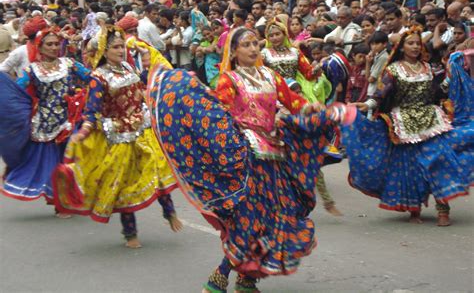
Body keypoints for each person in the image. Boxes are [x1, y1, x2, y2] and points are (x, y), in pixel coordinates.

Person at [147, 27, 356, 292]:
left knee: (275, 218)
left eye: (256, 43)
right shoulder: (229, 80)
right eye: (246, 45)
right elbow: (219, 115)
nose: (253, 49)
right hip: (247, 158)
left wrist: (310, 108)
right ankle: (218, 278)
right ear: (233, 52)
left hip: (274, 156)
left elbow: (293, 101)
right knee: (251, 219)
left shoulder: (271, 75)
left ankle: (246, 280)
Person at [53, 27, 182, 248]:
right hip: (118, 135)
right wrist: (83, 131)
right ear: (105, 50)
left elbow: (140, 87)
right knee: (123, 185)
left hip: (142, 129)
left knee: (158, 171)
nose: (121, 50)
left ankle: (169, 212)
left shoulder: (126, 67)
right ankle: (130, 233)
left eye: (122, 46)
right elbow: (92, 110)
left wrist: (147, 63)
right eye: (115, 47)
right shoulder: (98, 77)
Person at [346, 27, 473, 225]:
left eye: (417, 43)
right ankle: (414, 209)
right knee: (411, 168)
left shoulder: (428, 68)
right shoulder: (393, 69)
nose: (415, 46)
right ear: (402, 47)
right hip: (403, 123)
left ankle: (443, 210)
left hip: (432, 119)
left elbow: (437, 93)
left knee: (438, 160)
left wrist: (452, 75)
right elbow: (381, 94)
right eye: (410, 43)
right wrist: (367, 104)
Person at [0, 27, 90, 214]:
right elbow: (18, 90)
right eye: (49, 44)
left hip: (70, 119)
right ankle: (60, 202)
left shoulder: (70, 64)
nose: (54, 47)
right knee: (51, 164)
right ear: (39, 47)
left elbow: (92, 79)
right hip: (46, 122)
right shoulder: (32, 70)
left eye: (57, 43)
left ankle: (69, 198)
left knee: (69, 160)